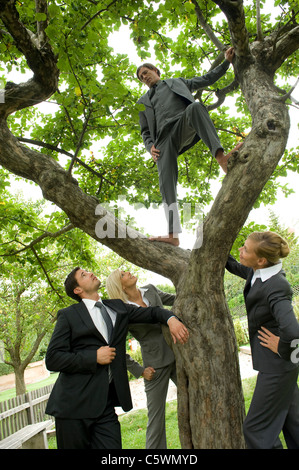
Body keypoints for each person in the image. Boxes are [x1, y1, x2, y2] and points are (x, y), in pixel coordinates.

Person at [45, 267, 189, 449]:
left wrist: (171, 319)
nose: (89, 273)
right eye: (83, 275)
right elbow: (53, 358)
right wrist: (93, 357)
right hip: (74, 407)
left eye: (87, 271)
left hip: (105, 406)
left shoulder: (117, 308)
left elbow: (153, 313)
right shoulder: (68, 315)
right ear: (78, 290)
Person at [137, 47, 242, 246]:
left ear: (156, 71)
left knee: (195, 106)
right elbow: (145, 132)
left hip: (183, 124)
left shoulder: (178, 82)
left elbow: (208, 78)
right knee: (166, 183)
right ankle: (173, 234)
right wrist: (149, 147)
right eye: (142, 78)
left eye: (146, 73)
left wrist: (227, 62)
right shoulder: (143, 103)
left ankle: (222, 159)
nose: (145, 78)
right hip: (163, 142)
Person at [226, 231, 299, 449]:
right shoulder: (257, 272)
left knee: (256, 430)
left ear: (261, 259)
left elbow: (294, 332)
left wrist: (283, 347)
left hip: (277, 366)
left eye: (245, 249)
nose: (241, 249)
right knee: (293, 422)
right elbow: (234, 265)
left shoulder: (276, 285)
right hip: (281, 366)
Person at [106, 269, 176, 449]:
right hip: (155, 366)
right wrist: (139, 371)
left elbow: (175, 299)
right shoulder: (121, 311)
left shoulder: (151, 290)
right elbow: (117, 349)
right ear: (120, 286)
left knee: (195, 396)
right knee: (156, 419)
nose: (128, 272)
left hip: (179, 354)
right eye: (123, 275)